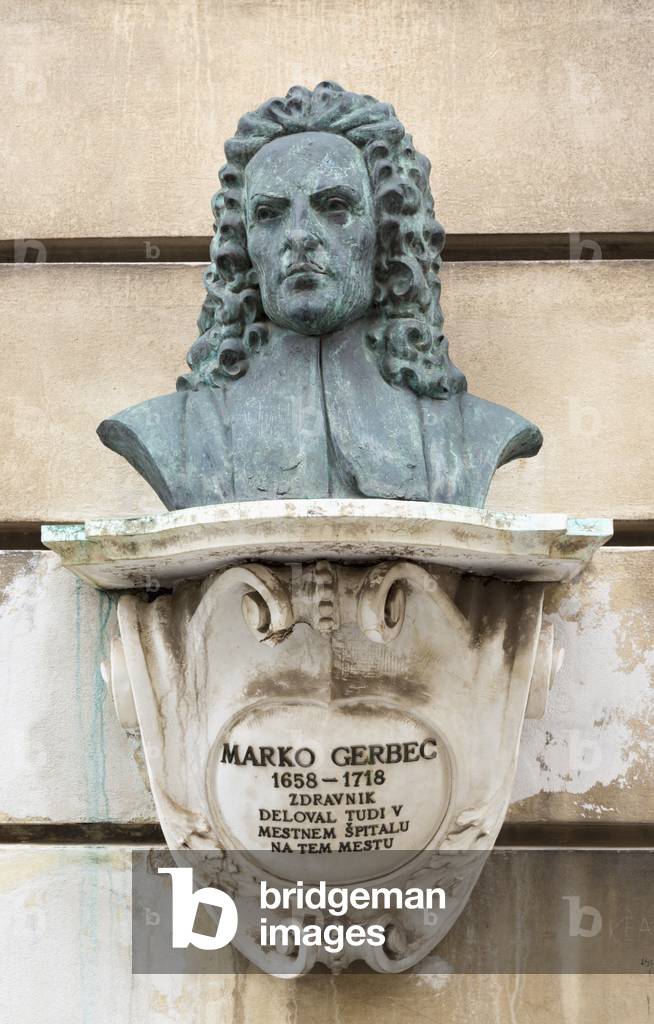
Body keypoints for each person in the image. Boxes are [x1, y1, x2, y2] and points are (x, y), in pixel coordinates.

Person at [98, 82, 542, 510]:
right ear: (243, 246)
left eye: (334, 207)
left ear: (386, 235)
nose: (299, 236)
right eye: (268, 214)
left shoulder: (469, 434)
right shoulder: (172, 432)